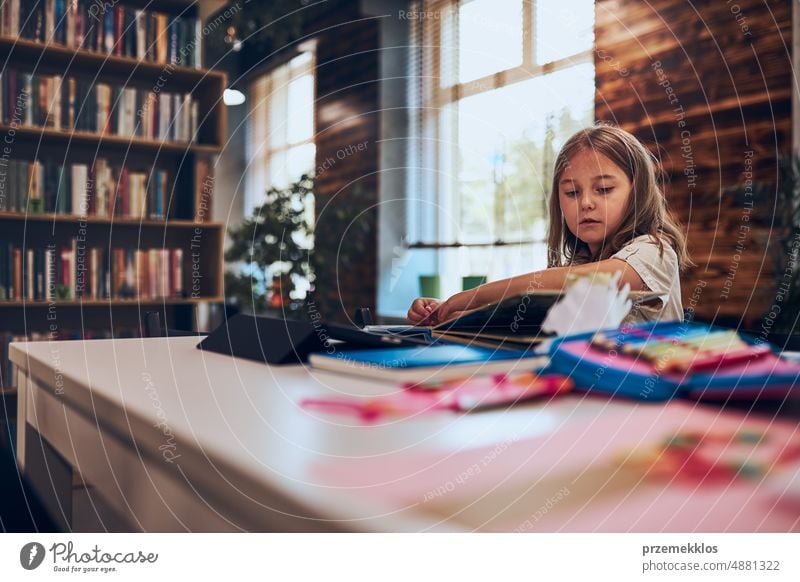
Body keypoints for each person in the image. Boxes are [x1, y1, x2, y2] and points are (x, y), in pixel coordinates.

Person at [407, 124, 691, 325]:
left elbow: (593, 282)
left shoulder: (654, 252)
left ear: (638, 191)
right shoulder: (577, 263)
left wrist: (469, 298)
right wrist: (446, 314)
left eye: (604, 189)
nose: (586, 203)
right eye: (571, 192)